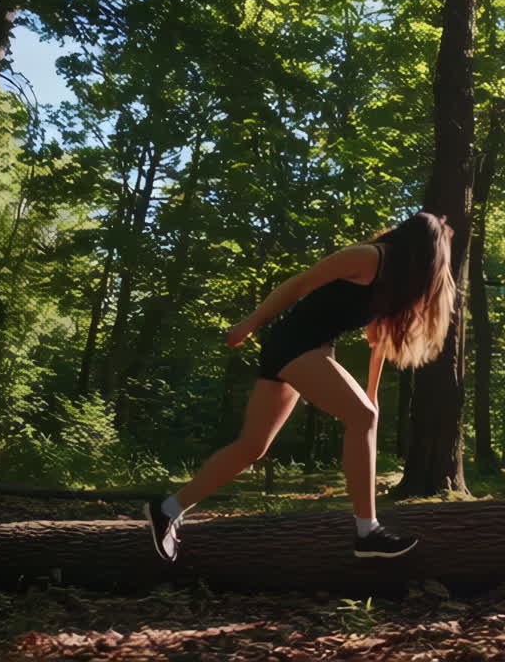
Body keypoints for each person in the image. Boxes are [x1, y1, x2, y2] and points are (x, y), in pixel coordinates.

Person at [143, 211, 456, 562]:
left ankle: (168, 508)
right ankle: (367, 532)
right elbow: (297, 285)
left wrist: (372, 395)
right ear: (422, 251)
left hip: (308, 349)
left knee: (252, 447)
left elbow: (378, 338)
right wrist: (249, 324)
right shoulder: (367, 257)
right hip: (294, 345)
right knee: (361, 419)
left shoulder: (392, 281)